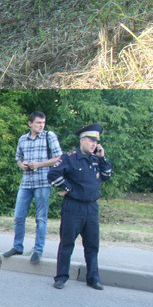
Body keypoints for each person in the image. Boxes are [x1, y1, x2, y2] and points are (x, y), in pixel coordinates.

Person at [48, 123, 113, 291]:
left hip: (91, 208)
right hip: (73, 207)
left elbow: (107, 176)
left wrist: (102, 158)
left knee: (92, 245)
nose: (94, 145)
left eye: (96, 142)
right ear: (82, 140)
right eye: (91, 141)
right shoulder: (69, 158)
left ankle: (93, 278)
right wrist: (68, 188)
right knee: (67, 243)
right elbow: (53, 174)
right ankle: (61, 277)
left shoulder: (96, 159)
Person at [2, 112, 62, 265]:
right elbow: (18, 158)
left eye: (43, 122)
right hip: (26, 182)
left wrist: (39, 164)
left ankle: (38, 250)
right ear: (30, 123)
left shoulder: (49, 136)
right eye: (38, 123)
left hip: (43, 182)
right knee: (18, 216)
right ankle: (17, 246)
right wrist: (21, 165)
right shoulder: (23, 139)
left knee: (41, 218)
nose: (41, 125)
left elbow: (59, 158)